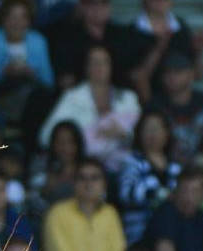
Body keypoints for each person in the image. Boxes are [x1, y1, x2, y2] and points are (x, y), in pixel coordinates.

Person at [37, 45, 140, 173]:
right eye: (94, 62)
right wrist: (79, 140)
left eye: (104, 62)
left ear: (112, 66)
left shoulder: (128, 97)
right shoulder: (72, 97)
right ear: (86, 67)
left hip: (122, 166)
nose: (100, 67)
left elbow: (144, 134)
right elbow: (45, 136)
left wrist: (124, 134)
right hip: (82, 165)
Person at [42, 157, 126, 251]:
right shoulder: (57, 214)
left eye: (95, 178)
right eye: (82, 178)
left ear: (104, 184)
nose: (88, 184)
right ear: (74, 183)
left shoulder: (110, 214)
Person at [116, 109, 181, 243]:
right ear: (139, 133)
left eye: (156, 129)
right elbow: (126, 193)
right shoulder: (132, 162)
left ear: (167, 133)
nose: (152, 134)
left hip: (172, 231)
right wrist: (163, 195)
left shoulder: (175, 165)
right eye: (147, 129)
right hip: (140, 231)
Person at [124, 0, 203, 103]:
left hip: (178, 101)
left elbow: (198, 75)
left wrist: (198, 52)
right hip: (144, 102)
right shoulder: (130, 33)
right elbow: (135, 77)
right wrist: (158, 49)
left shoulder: (182, 29)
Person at [146, 51, 203, 166]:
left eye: (178, 72)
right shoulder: (154, 106)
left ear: (191, 74)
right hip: (165, 164)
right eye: (167, 72)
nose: (172, 77)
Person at [42, 0, 131, 92]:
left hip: (117, 96)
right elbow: (66, 80)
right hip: (80, 98)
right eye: (93, 4)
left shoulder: (119, 36)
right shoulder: (68, 38)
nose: (99, 9)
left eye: (104, 3)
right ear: (82, 7)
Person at [27, 119, 83, 221]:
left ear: (78, 144)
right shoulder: (41, 165)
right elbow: (32, 201)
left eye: (70, 142)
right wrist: (44, 191)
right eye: (60, 142)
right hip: (47, 221)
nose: (65, 147)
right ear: (52, 144)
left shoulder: (87, 168)